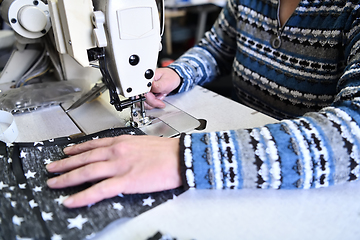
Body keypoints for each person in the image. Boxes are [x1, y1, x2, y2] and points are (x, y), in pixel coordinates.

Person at [46, 0, 360, 208]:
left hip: (313, 190)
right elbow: (217, 48)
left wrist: (186, 157)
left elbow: (354, 132)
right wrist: (176, 73)